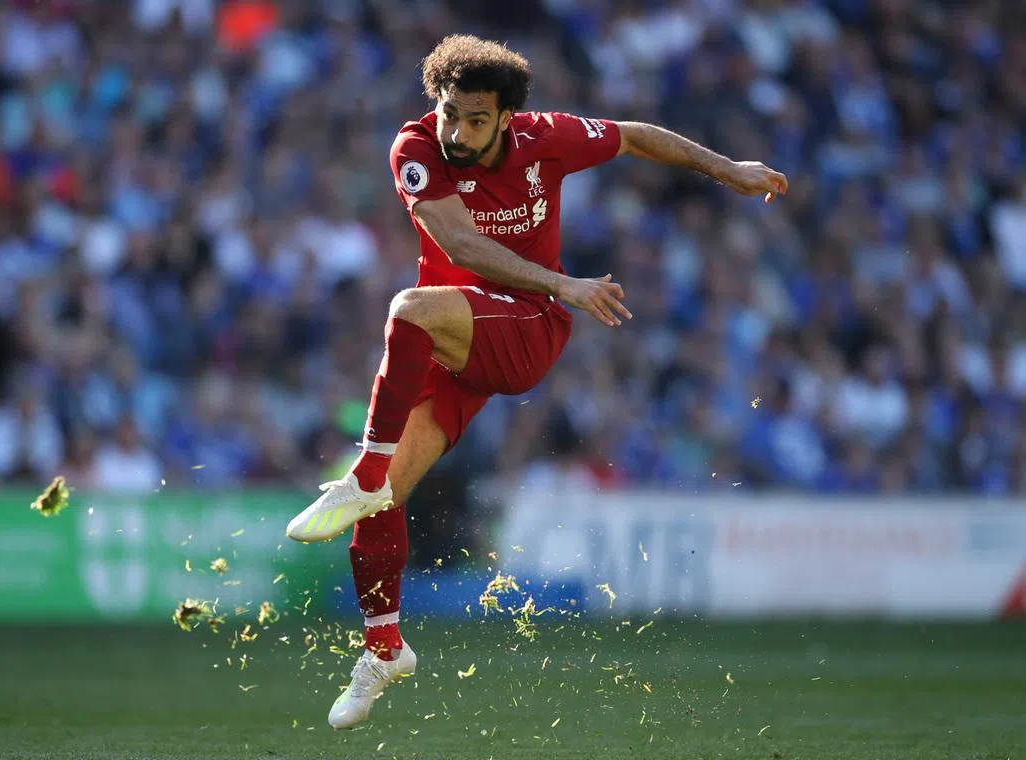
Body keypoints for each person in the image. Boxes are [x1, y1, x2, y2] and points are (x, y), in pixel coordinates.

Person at [285, 34, 788, 729]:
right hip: (459, 339)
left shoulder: (546, 139)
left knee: (408, 310)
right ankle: (383, 649)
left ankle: (361, 474)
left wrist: (727, 169)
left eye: (476, 120)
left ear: (507, 117)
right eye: (449, 112)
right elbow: (459, 244)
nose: (457, 132)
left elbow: (635, 136)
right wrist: (562, 279)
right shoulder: (416, 149)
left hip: (528, 327)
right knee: (384, 500)